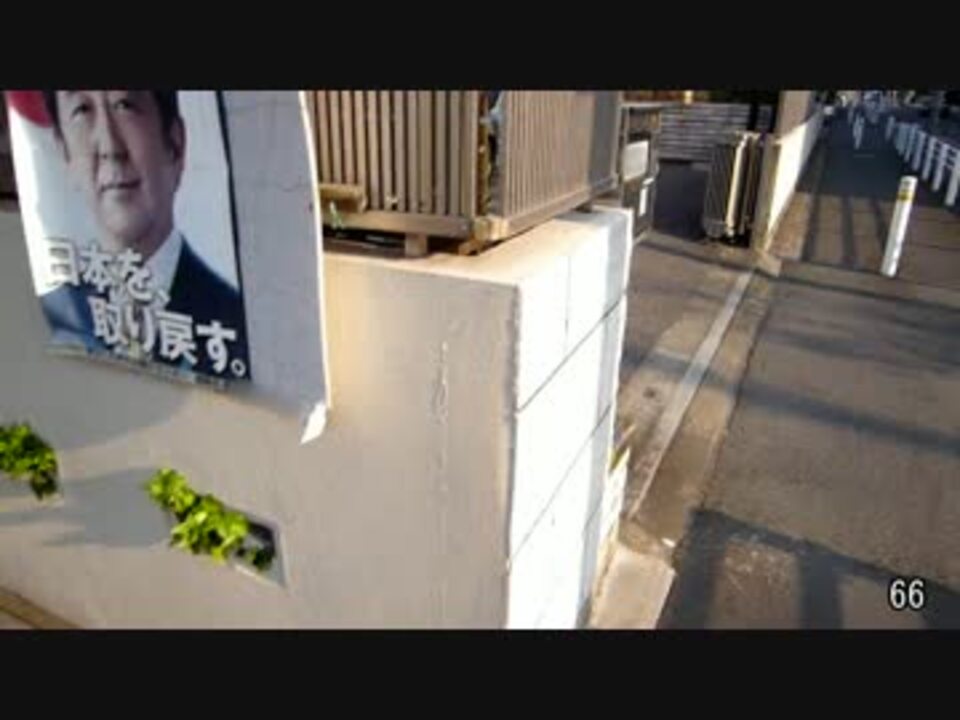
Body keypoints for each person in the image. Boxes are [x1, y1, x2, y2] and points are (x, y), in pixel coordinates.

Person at [38, 90, 249, 380]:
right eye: (83, 110)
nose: (110, 147)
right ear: (64, 154)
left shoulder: (237, 320)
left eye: (125, 105)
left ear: (174, 144)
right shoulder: (63, 314)